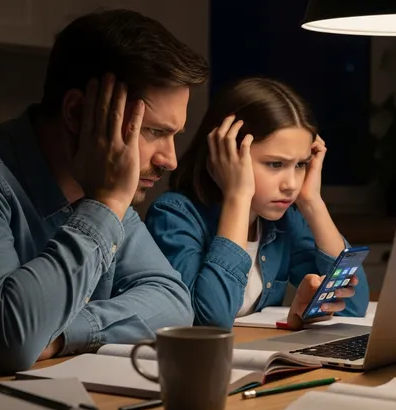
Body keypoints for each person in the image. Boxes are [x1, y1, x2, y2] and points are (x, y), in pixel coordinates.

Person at [0, 9, 208, 388]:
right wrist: (107, 204)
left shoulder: (101, 191)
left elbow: (174, 302)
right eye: (153, 131)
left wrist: (63, 335)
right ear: (77, 113)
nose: (170, 159)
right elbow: (13, 340)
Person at [145, 77, 370, 330]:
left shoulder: (284, 221)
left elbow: (352, 305)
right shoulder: (174, 215)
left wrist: (312, 202)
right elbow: (210, 321)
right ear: (225, 154)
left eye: (300, 165)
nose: (291, 184)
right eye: (275, 164)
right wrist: (237, 197)